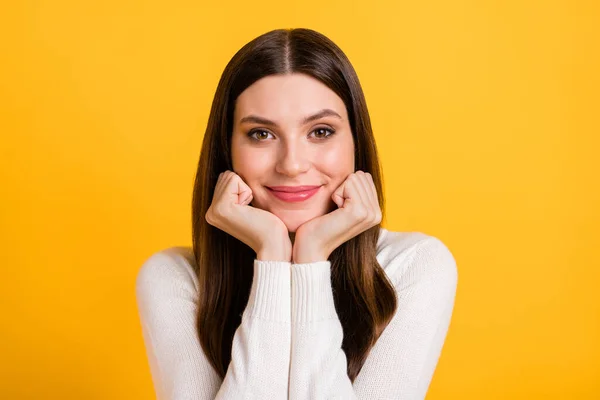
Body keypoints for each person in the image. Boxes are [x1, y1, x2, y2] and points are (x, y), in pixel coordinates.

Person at [135, 28, 458, 400]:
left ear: (356, 142)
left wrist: (310, 258)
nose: (291, 164)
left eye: (320, 131)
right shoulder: (174, 278)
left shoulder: (414, 265)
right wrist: (272, 256)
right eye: (261, 134)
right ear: (228, 151)